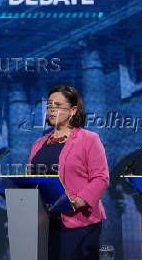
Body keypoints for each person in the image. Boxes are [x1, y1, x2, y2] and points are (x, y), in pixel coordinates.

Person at [28, 85, 109, 260]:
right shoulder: (37, 145)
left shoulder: (89, 139)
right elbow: (31, 181)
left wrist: (80, 200)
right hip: (45, 224)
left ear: (73, 110)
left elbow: (101, 178)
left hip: (79, 223)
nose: (51, 110)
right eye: (49, 105)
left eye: (57, 105)